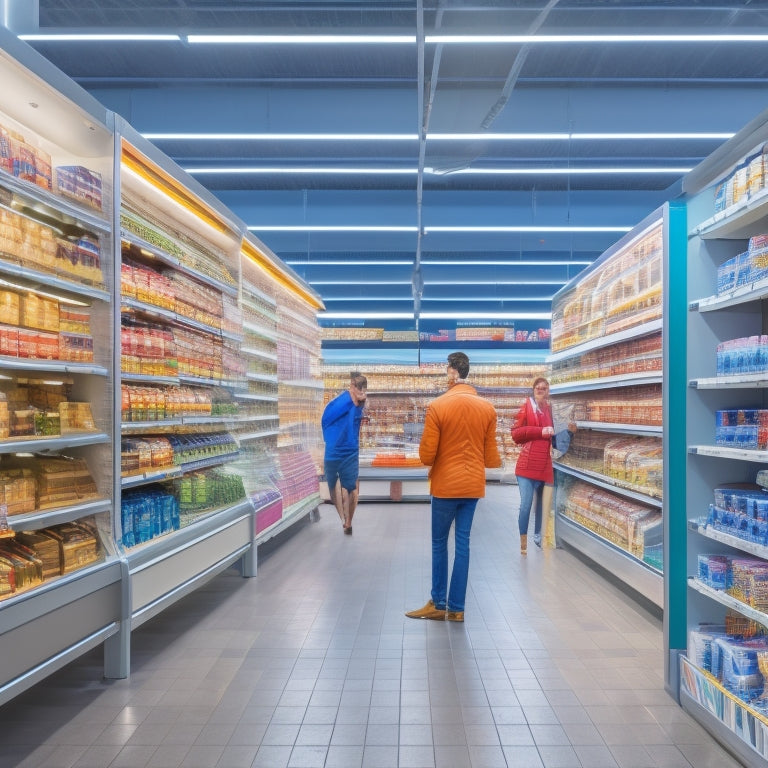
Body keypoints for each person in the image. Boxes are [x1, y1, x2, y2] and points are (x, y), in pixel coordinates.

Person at [405, 352, 501, 623]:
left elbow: (426, 455)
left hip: (445, 486)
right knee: (463, 544)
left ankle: (438, 602)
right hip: (472, 486)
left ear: (451, 372)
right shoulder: (487, 408)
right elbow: (492, 458)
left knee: (438, 544)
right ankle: (457, 608)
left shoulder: (438, 406)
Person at [512, 377, 576, 554]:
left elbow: (556, 441)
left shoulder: (551, 410)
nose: (541, 391)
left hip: (545, 467)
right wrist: (539, 431)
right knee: (526, 504)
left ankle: (539, 537)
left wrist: (569, 432)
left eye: (544, 388)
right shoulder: (526, 407)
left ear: (548, 391)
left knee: (543, 506)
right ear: (533, 390)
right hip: (526, 466)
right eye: (538, 388)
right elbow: (515, 435)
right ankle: (523, 542)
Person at [321, 371, 368, 534]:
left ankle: (348, 521)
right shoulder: (339, 404)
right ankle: (343, 518)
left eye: (364, 390)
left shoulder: (359, 405)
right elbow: (326, 421)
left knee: (351, 487)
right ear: (352, 387)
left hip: (350, 451)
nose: (362, 393)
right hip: (334, 450)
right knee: (335, 487)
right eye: (359, 389)